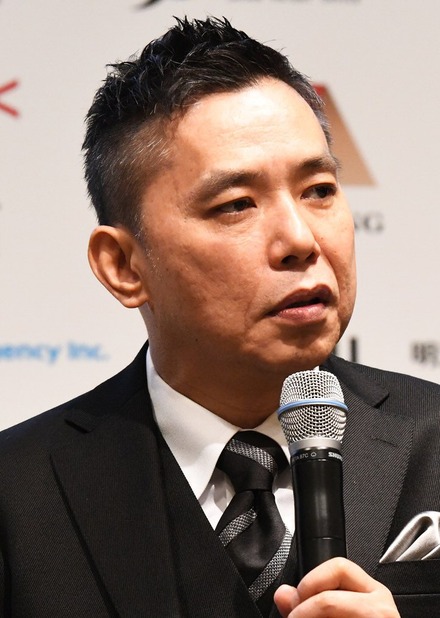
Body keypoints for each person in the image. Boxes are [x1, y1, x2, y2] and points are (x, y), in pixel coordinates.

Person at [0, 16, 439, 618]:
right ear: (123, 266)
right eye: (236, 204)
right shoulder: (20, 492)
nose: (300, 240)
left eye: (319, 190)